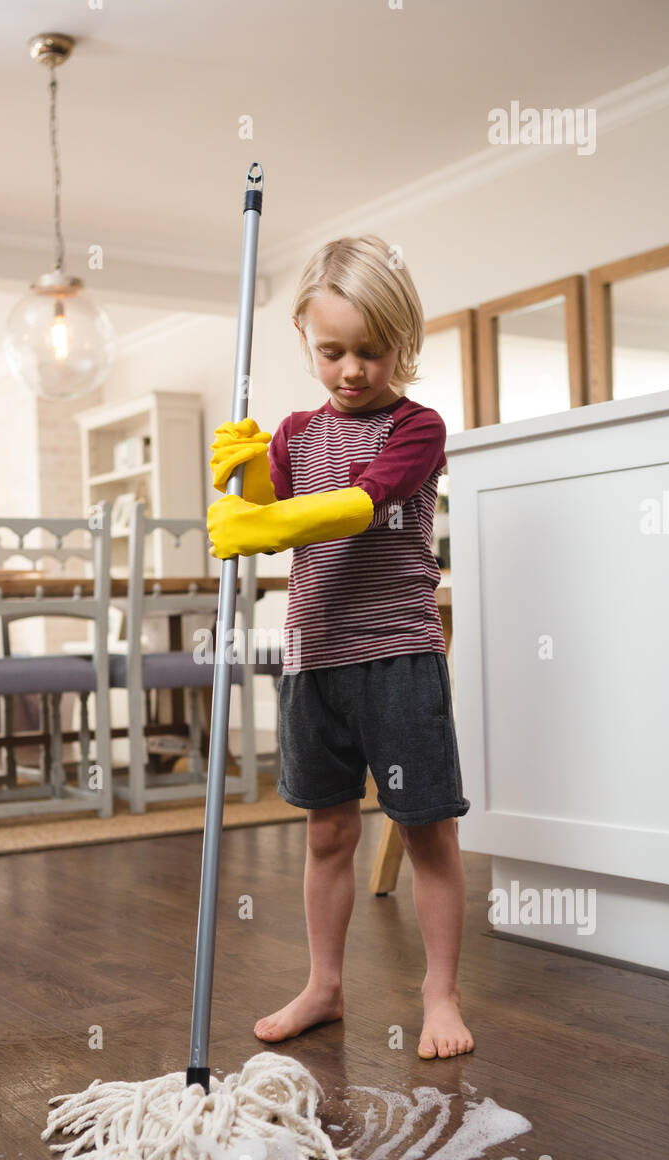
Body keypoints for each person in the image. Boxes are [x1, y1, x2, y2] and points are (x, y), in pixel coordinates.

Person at [207, 234, 473, 1060]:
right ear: (305, 343)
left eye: (371, 350)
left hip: (397, 661)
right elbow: (266, 504)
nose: (352, 369)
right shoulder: (295, 432)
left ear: (403, 343)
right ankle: (324, 984)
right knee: (327, 832)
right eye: (332, 352)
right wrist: (244, 471)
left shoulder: (418, 428)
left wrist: (265, 520)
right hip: (313, 661)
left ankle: (440, 993)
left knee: (427, 830)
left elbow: (360, 506)